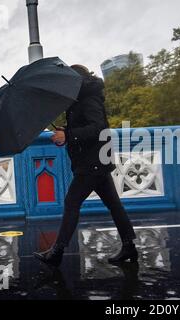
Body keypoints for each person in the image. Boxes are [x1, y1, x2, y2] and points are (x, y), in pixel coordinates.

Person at [34, 64, 138, 267]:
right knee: (114, 205)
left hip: (93, 163)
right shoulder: (80, 99)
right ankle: (129, 247)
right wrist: (67, 130)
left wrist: (69, 135)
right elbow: (86, 125)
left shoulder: (88, 99)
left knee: (72, 202)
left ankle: (57, 253)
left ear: (76, 81)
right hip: (95, 161)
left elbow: (98, 128)